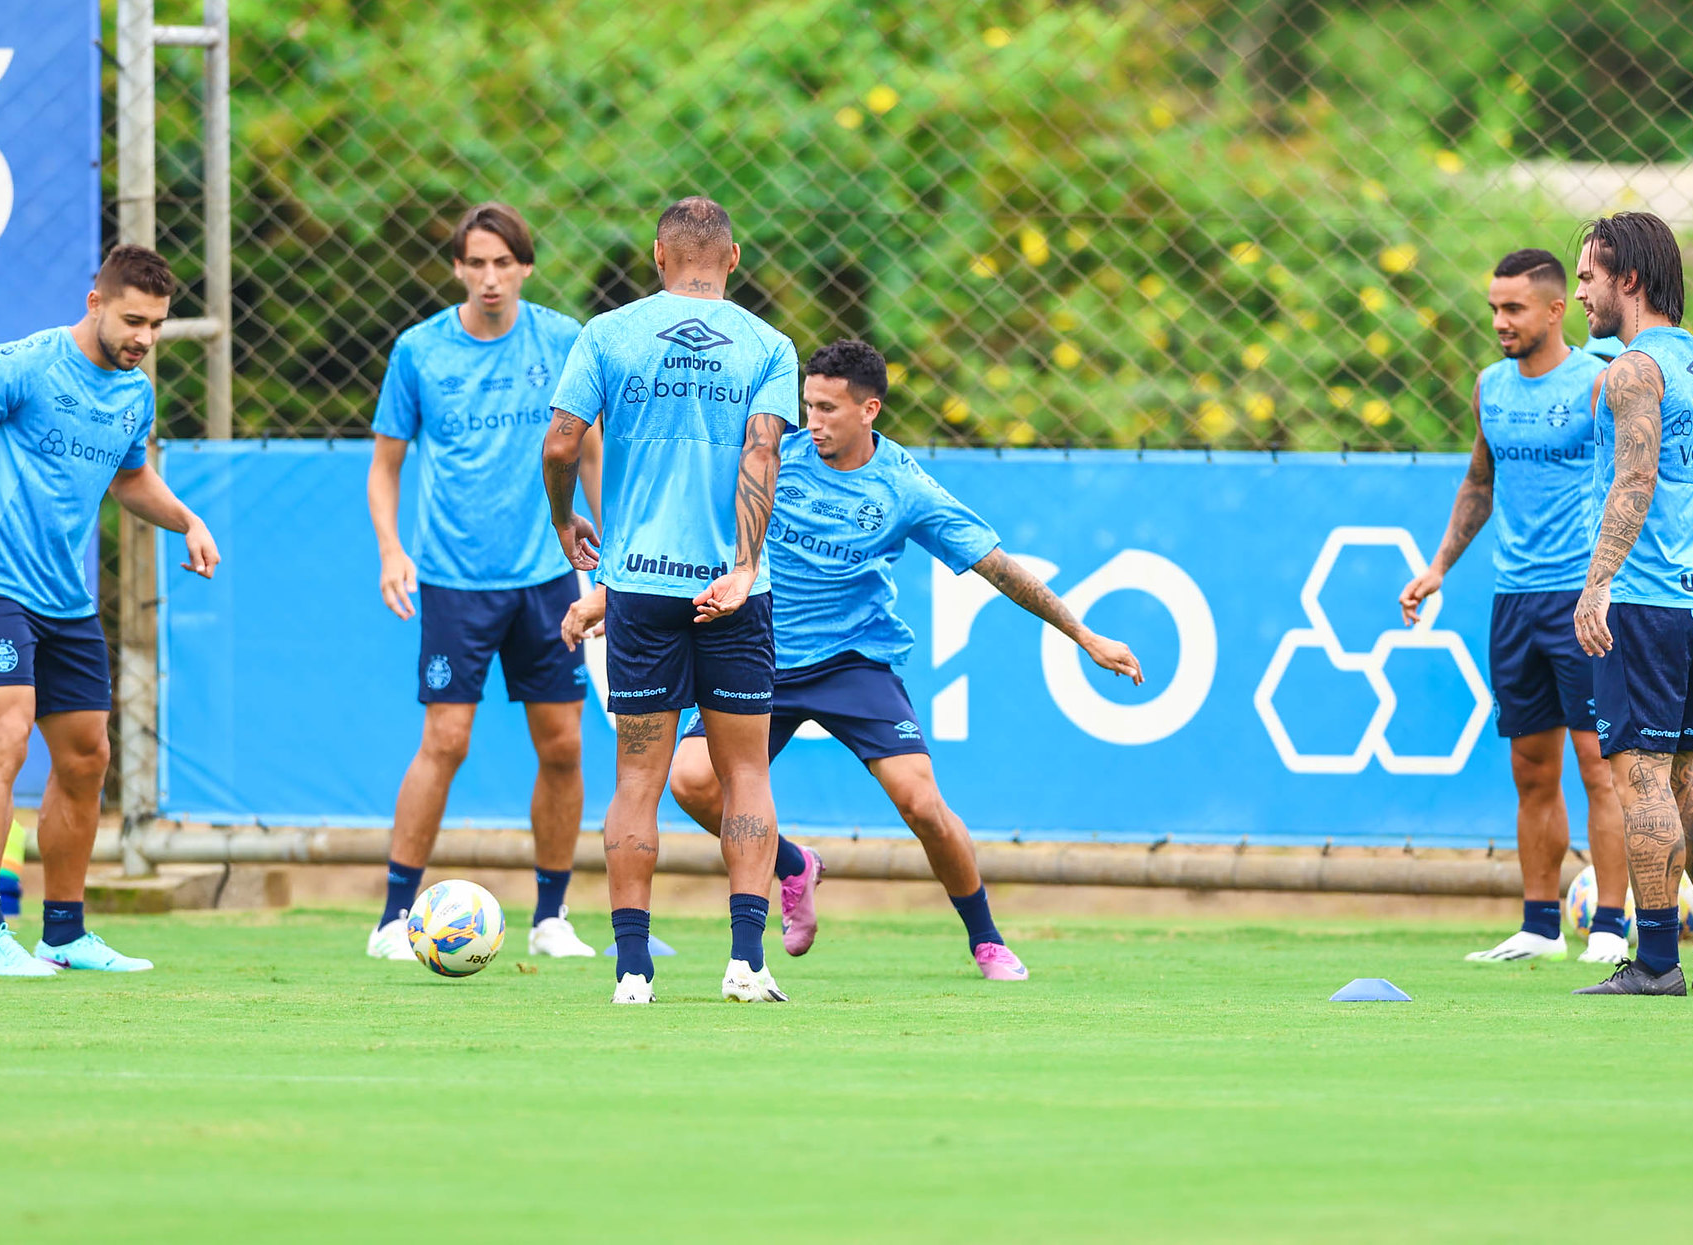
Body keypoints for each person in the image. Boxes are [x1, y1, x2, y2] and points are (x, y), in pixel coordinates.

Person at [562, 339, 1145, 980]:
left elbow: (999, 569)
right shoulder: (772, 460)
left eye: (828, 409)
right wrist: (605, 598)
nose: (811, 421)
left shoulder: (904, 488)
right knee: (691, 782)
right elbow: (692, 535)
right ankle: (792, 866)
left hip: (852, 661)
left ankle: (986, 938)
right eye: (806, 404)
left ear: (870, 410)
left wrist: (1083, 635)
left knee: (921, 803)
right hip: (762, 654)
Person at [0, 244, 219, 977]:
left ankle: (64, 933)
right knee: (7, 737)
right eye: (133, 320)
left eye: (156, 324)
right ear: (96, 303)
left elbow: (130, 479)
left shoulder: (134, 391)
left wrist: (187, 520)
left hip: (66, 600)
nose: (144, 337)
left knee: (88, 758)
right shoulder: (23, 363)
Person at [541, 196, 800, 1004]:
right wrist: (745, 563)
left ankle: (631, 970)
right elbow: (763, 452)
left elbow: (558, 442)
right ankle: (746, 963)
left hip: (641, 588)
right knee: (746, 773)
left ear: (658, 255)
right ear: (732, 257)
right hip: (731, 591)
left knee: (636, 779)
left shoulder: (608, 333)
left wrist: (563, 520)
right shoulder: (768, 344)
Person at [363, 202, 603, 963]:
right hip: (454, 580)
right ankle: (394, 918)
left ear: (526, 266)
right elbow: (385, 463)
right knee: (446, 739)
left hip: (547, 579)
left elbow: (587, 451)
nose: (491, 277)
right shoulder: (419, 350)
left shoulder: (564, 340)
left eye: (505, 262)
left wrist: (615, 550)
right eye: (477, 262)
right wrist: (391, 550)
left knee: (563, 743)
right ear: (459, 267)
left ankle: (552, 915)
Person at [1398, 249, 1630, 966]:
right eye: (1494, 308)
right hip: (1514, 601)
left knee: (1602, 766)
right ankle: (1538, 925)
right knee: (1532, 766)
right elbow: (1479, 480)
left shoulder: (1599, 382)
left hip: (1583, 599)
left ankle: (1611, 929)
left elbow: (1635, 481)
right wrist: (1438, 566)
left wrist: (1613, 578)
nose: (1499, 321)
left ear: (1557, 310)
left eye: (1514, 309)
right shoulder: (1490, 388)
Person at [1566, 212, 1693, 997]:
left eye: (1587, 277)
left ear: (1627, 279)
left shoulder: (1635, 368)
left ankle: (1657, 960)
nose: (1580, 294)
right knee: (1682, 774)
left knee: (1636, 777)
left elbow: (1634, 482)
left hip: (1645, 599)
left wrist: (1598, 579)